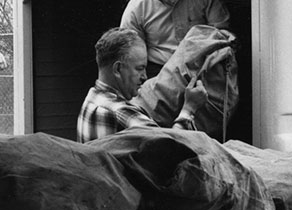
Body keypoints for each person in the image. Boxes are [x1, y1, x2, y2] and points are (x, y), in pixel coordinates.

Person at [77, 27, 208, 143]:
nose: (145, 77)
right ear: (117, 69)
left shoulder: (91, 99)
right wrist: (189, 109)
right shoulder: (121, 111)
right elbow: (170, 149)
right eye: (139, 68)